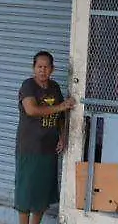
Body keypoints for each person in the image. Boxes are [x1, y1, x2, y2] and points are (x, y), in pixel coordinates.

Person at [16, 50, 75, 224]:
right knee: (26, 193)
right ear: (33, 68)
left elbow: (61, 117)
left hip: (49, 149)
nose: (42, 70)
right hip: (30, 148)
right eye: (39, 67)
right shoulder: (28, 86)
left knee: (42, 194)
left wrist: (62, 136)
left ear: (52, 69)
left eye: (46, 67)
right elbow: (31, 110)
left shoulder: (54, 87)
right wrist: (60, 106)